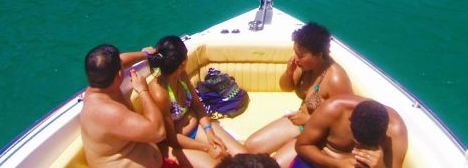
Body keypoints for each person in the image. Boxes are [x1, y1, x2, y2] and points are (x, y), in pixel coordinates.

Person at [244, 23, 353, 167]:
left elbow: (345, 127)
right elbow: (286, 87)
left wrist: (309, 120)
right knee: (250, 146)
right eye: (295, 51)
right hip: (298, 122)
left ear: (319, 55)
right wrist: (289, 72)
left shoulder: (336, 80)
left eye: (300, 55)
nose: (295, 57)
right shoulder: (304, 66)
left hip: (319, 137)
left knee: (275, 164)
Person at [148, 35, 247, 167]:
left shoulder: (181, 76)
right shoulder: (160, 92)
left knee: (243, 156)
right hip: (176, 143)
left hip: (198, 128)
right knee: (217, 164)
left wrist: (209, 132)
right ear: (183, 63)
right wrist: (206, 147)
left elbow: (197, 105)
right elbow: (171, 138)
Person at [80, 44, 166, 168]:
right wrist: (143, 91)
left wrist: (145, 54)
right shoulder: (106, 112)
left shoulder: (102, 82)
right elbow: (158, 132)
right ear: (119, 74)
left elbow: (122, 60)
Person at [293, 96, 408, 168]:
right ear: (350, 119)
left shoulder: (396, 132)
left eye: (368, 146)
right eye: (357, 141)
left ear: (385, 136)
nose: (357, 148)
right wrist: (337, 164)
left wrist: (380, 167)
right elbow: (301, 145)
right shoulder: (333, 109)